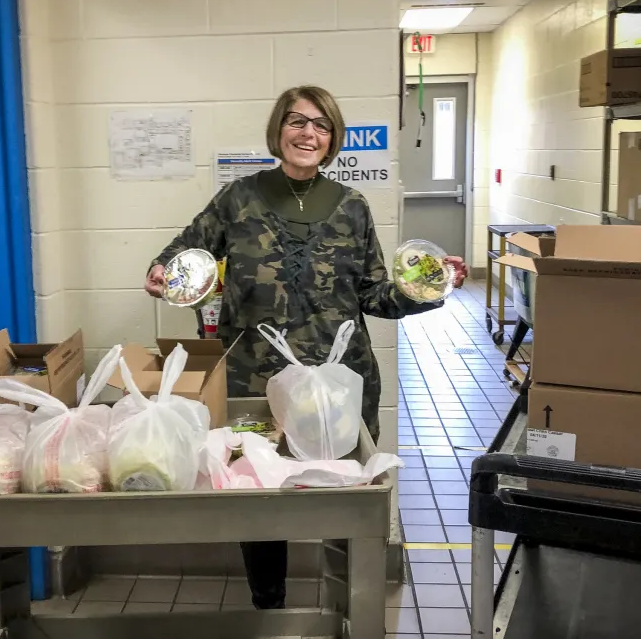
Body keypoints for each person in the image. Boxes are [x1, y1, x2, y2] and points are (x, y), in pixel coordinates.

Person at [145, 85, 467, 609]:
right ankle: (267, 606)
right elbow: (185, 255)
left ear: (332, 138)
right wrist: (164, 273)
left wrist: (425, 289)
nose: (307, 133)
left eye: (320, 125)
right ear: (279, 130)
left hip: (338, 383)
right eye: (297, 121)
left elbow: (374, 294)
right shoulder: (239, 198)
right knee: (258, 497)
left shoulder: (353, 207)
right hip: (255, 381)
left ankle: (344, 607)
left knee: (343, 497)